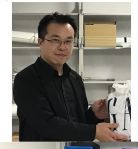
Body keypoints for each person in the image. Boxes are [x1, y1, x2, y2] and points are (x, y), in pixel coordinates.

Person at [13, 13, 127, 141]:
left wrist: (93, 115)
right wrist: (94, 131)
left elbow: (78, 123)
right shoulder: (25, 79)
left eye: (68, 41)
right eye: (55, 40)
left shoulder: (75, 79)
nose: (63, 47)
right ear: (40, 42)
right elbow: (46, 125)